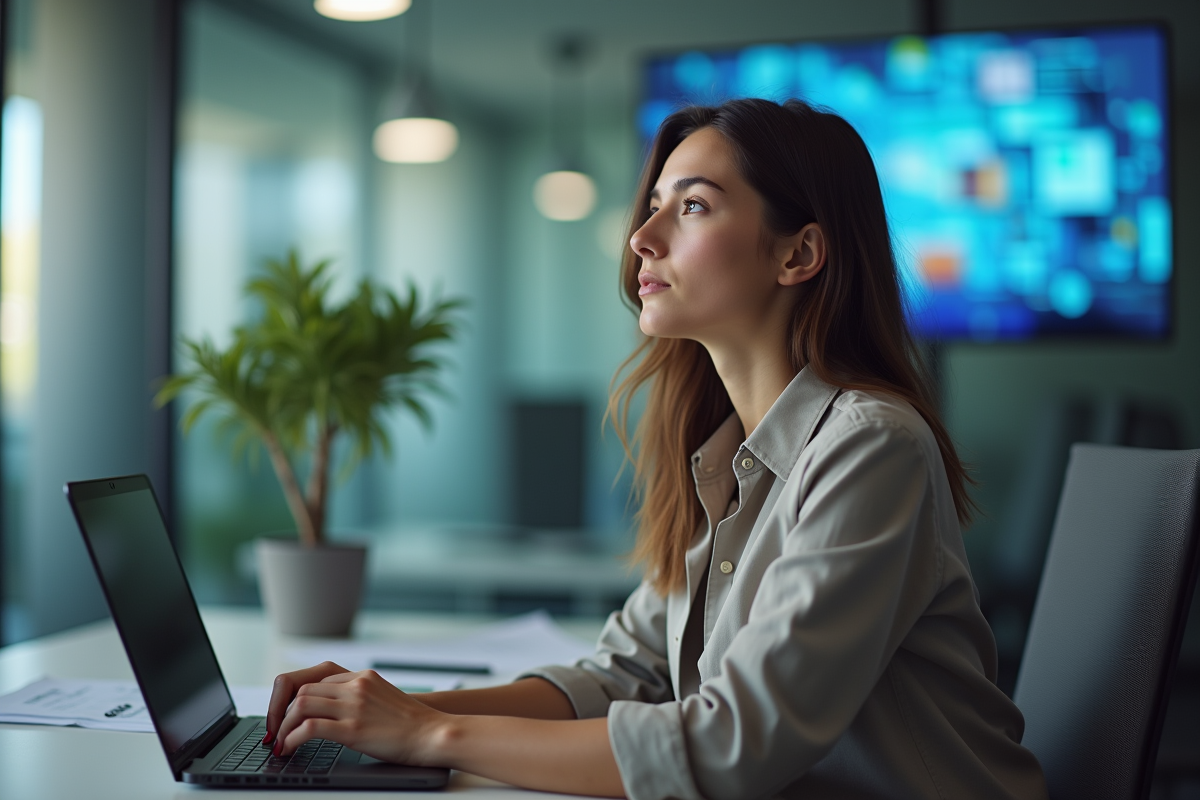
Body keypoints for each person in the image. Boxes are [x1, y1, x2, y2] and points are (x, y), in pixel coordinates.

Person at [263, 98, 1049, 800]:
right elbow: (627, 676)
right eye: (654, 206)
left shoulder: (872, 449)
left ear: (798, 255)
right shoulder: (728, 457)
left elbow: (732, 746)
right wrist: (387, 709)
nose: (642, 237)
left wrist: (427, 736)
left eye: (694, 206)